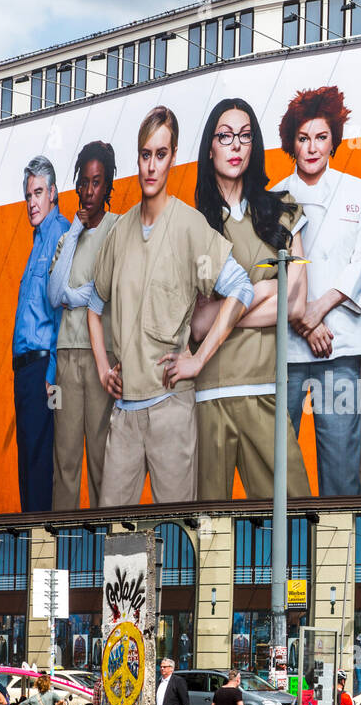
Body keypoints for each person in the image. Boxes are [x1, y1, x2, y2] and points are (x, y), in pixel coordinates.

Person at [87, 106, 255, 505]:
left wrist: (197, 361)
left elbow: (242, 290)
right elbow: (94, 307)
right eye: (145, 154)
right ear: (138, 157)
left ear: (173, 156)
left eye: (160, 155)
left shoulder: (189, 226)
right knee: (117, 542)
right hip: (125, 414)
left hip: (171, 409)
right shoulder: (119, 232)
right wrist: (101, 368)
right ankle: (125, 571)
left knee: (176, 534)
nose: (151, 166)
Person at [189, 98, 312, 501]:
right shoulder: (192, 225)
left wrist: (230, 305)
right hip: (210, 397)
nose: (236, 145)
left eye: (245, 136)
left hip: (266, 392)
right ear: (210, 146)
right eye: (225, 136)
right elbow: (195, 325)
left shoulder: (285, 210)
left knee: (294, 520)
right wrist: (262, 289)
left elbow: (295, 306)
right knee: (207, 538)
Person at [273, 86, 361, 497]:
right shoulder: (275, 197)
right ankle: (286, 559)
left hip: (341, 348)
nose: (312, 147)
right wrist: (304, 320)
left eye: (320, 137)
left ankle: (341, 560)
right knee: (280, 469)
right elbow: (270, 275)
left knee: (340, 468)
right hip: (287, 353)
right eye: (303, 139)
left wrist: (319, 308)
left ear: (333, 138)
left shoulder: (356, 191)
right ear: (291, 144)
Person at [47, 140, 121, 510]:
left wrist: (74, 296)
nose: (89, 191)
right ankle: (62, 555)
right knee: (65, 459)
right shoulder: (67, 237)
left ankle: (106, 549)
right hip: (65, 356)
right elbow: (53, 294)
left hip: (100, 355)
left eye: (97, 182)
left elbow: (110, 290)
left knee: (100, 454)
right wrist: (75, 231)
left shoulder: (118, 228)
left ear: (108, 186)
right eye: (84, 182)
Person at [14, 154, 70, 513]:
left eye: (38, 193)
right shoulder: (37, 241)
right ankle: (34, 550)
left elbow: (64, 309)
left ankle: (43, 557)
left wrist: (51, 377)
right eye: (28, 195)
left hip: (44, 372)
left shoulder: (59, 234)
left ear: (52, 193)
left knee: (43, 465)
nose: (32, 202)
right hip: (26, 373)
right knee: (28, 468)